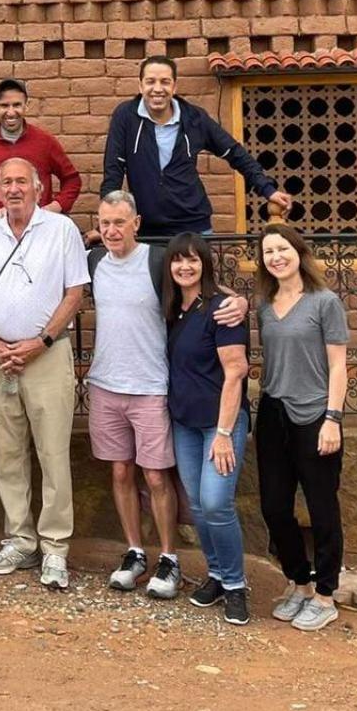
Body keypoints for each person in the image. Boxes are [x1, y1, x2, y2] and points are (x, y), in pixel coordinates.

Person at [87, 191, 248, 601]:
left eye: (119, 222)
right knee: (121, 472)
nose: (112, 230)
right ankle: (135, 552)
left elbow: (199, 281)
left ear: (136, 223)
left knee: (157, 475)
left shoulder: (157, 261)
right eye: (105, 223)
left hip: (152, 386)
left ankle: (170, 558)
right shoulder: (92, 262)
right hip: (106, 383)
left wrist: (239, 301)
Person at [0, 157, 89, 591]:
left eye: (21, 182)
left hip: (46, 356)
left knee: (53, 455)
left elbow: (75, 293)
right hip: (0, 358)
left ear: (38, 187)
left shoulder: (62, 230)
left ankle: (55, 548)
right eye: (5, 182)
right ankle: (19, 539)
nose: (13, 189)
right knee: (8, 453)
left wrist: (42, 342)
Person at [254, 223, 349, 632]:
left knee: (322, 508)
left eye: (282, 249)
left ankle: (326, 594)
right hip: (274, 413)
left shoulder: (324, 302)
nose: (276, 257)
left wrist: (333, 418)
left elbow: (338, 365)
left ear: (298, 252)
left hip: (315, 414)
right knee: (274, 506)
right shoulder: (264, 306)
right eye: (268, 251)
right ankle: (299, 582)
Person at [163, 232, 253, 625]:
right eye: (178, 260)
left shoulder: (223, 310)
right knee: (198, 505)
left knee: (216, 502)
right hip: (184, 421)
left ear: (205, 264)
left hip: (220, 424)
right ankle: (216, 574)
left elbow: (236, 371)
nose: (185, 266)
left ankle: (235, 586)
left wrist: (223, 433)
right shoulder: (174, 309)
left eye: (193, 260)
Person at [101, 56, 293, 238]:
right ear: (140, 86)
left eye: (165, 82)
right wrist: (107, 220)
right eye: (151, 81)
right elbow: (113, 170)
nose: (157, 88)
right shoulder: (126, 116)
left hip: (193, 225)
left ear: (174, 86)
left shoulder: (194, 118)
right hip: (147, 229)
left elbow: (235, 153)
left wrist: (268, 190)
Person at [0, 79, 81, 219]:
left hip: (40, 227)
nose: (11, 112)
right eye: (4, 105)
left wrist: (55, 207)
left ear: (26, 106)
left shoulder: (45, 142)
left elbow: (72, 180)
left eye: (17, 105)